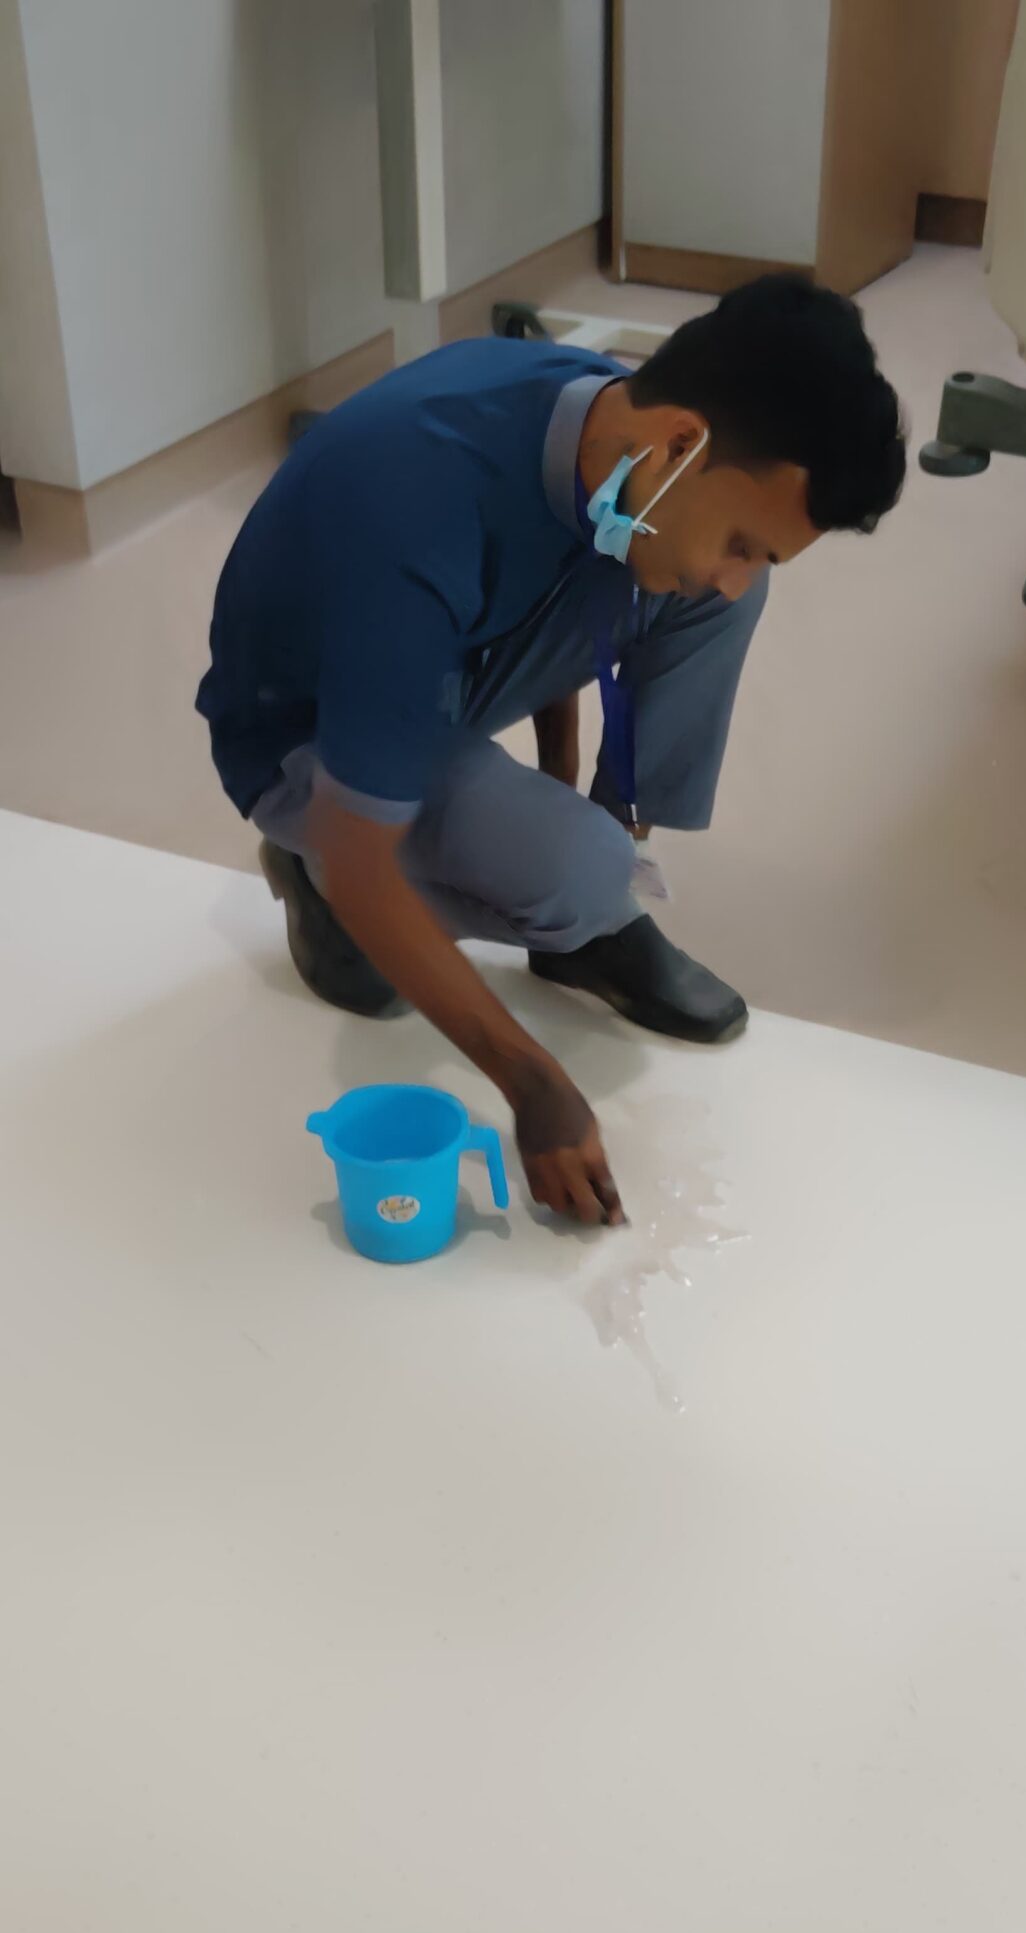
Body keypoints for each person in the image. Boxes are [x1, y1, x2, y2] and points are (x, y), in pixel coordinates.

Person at [197, 277, 905, 1225]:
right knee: (564, 867)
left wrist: (559, 794)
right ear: (682, 444)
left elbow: (566, 586)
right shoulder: (415, 510)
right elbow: (371, 867)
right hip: (309, 730)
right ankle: (308, 872)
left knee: (694, 601)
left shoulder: (607, 428)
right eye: (744, 540)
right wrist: (532, 1083)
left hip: (438, 665)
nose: (736, 575)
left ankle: (589, 928)